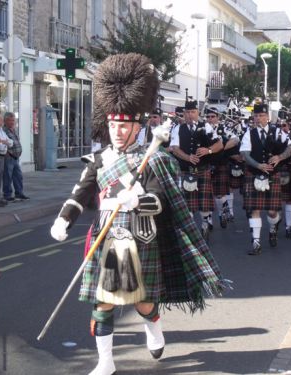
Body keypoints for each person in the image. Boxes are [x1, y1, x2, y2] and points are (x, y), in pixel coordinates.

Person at [50, 53, 227, 375]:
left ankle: (153, 327)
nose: (118, 131)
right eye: (114, 125)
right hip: (107, 239)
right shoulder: (99, 160)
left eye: (124, 126)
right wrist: (64, 218)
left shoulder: (153, 159)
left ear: (136, 127)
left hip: (141, 237)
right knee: (103, 303)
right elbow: (81, 193)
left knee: (142, 303)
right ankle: (106, 362)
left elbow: (162, 200)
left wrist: (138, 198)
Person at [239, 103, 291, 255]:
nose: (259, 118)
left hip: (272, 175)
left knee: (272, 212)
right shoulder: (248, 134)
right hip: (254, 174)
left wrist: (279, 157)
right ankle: (256, 243)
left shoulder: (277, 132)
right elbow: (244, 154)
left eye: (262, 115)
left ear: (268, 117)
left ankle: (272, 229)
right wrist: (259, 165)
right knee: (254, 210)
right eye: (256, 116)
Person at [169, 99, 223, 239]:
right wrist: (188, 157)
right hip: (185, 169)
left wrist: (208, 150)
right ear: (184, 114)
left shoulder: (206, 127)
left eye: (193, 112)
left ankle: (205, 224)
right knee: (188, 204)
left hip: (202, 169)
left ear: (197, 113)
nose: (190, 115)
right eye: (187, 112)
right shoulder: (178, 128)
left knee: (204, 205)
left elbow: (219, 144)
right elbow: (175, 148)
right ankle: (191, 231)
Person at [3, 112, 30, 201]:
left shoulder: (13, 129)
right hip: (9, 156)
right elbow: (3, 142)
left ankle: (19, 193)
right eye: (10, 120)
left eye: (13, 120)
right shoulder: (3, 130)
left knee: (18, 176)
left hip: (16, 157)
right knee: (8, 176)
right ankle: (7, 195)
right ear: (5, 121)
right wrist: (7, 152)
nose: (12, 122)